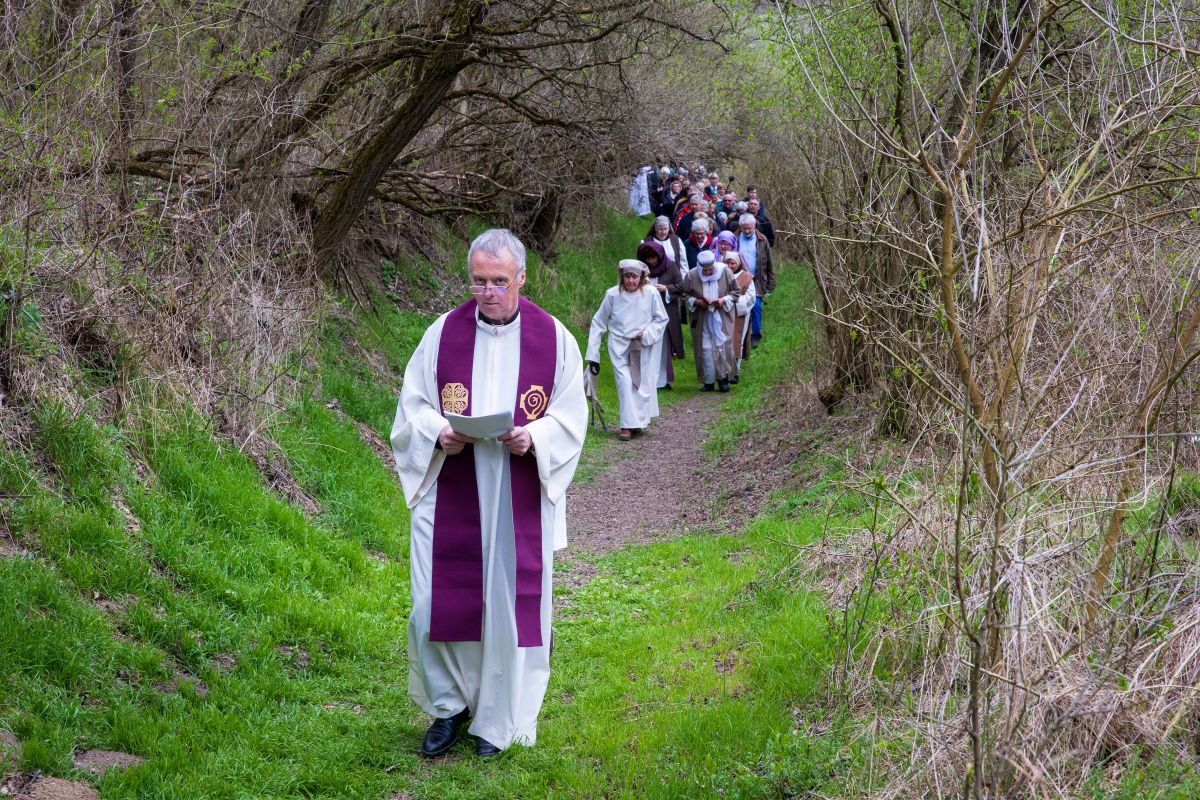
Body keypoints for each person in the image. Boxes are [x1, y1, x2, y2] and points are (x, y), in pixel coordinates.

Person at [390, 229, 587, 758]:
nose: (488, 292)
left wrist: (535, 435)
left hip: (516, 487)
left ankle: (498, 720)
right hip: (453, 480)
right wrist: (438, 432)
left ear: (522, 278)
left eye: (499, 281)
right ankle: (449, 707)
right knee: (432, 601)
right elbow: (413, 406)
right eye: (478, 281)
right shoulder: (442, 334)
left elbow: (570, 416)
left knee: (508, 605)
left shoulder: (554, 339)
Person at [585, 259, 669, 441]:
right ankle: (626, 426)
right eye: (627, 277)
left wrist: (646, 334)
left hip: (642, 345)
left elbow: (661, 318)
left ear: (641, 278)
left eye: (634, 277)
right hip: (619, 345)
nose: (631, 281)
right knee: (624, 383)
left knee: (641, 384)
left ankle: (637, 423)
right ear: (622, 277)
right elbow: (599, 322)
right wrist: (593, 356)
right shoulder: (612, 295)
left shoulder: (651, 293)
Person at [682, 250, 741, 392]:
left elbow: (736, 292)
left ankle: (723, 379)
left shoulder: (725, 272)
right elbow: (684, 295)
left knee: (722, 346)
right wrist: (697, 301)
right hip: (702, 318)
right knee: (705, 348)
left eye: (710, 270)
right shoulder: (691, 275)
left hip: (721, 316)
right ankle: (708, 381)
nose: (708, 273)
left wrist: (723, 300)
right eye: (705, 270)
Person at [637, 239, 686, 386]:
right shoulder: (640, 269)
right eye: (648, 259)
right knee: (646, 344)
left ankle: (662, 381)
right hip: (644, 313)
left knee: (663, 346)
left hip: (665, 311)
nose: (651, 261)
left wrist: (666, 289)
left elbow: (681, 286)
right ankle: (646, 378)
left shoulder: (670, 266)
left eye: (653, 258)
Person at [737, 213, 775, 348]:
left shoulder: (762, 240)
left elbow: (770, 262)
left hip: (757, 280)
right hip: (739, 279)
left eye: (749, 228)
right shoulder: (735, 239)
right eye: (744, 228)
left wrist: (771, 282)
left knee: (756, 307)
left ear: (754, 226)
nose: (746, 231)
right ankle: (741, 334)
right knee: (740, 307)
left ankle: (755, 335)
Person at [722, 251, 756, 383]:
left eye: (733, 263)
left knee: (738, 340)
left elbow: (751, 296)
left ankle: (735, 371)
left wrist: (734, 301)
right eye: (727, 262)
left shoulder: (746, 277)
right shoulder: (721, 275)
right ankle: (724, 371)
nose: (730, 265)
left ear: (739, 263)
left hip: (740, 313)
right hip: (724, 312)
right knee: (724, 340)